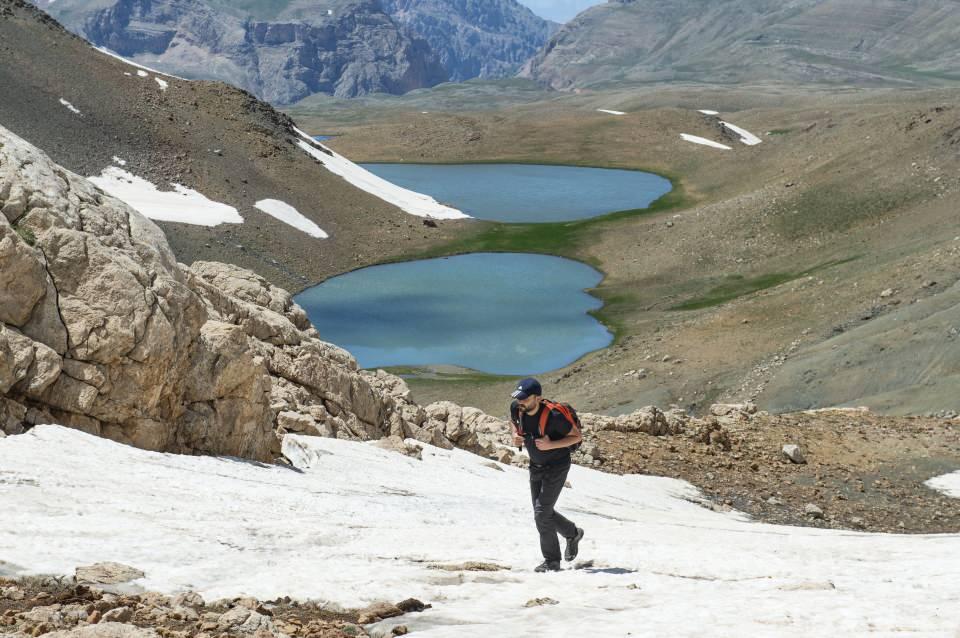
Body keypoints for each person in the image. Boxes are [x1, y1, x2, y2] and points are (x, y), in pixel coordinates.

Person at [509, 377, 585, 573]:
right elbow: (513, 422)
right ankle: (572, 533)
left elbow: (576, 436)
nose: (520, 402)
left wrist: (551, 445)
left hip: (557, 466)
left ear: (537, 397)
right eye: (519, 398)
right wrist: (515, 436)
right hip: (536, 465)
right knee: (541, 512)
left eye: (525, 399)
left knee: (542, 512)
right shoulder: (517, 408)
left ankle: (552, 561)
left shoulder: (554, 416)